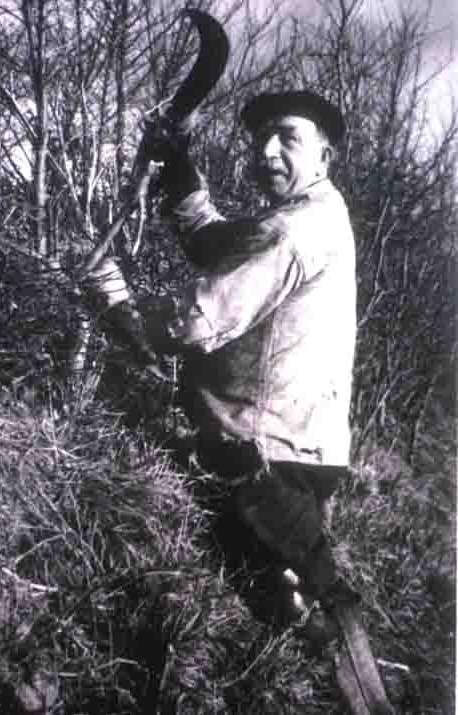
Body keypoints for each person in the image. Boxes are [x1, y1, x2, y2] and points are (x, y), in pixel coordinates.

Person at [89, 90, 358, 642]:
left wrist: (118, 302)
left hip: (262, 462)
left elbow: (195, 321)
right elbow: (217, 244)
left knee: (286, 614)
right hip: (299, 453)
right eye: (261, 138)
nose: (268, 150)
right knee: (290, 604)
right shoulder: (311, 214)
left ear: (324, 157)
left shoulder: (294, 232)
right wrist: (179, 170)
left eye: (288, 136)